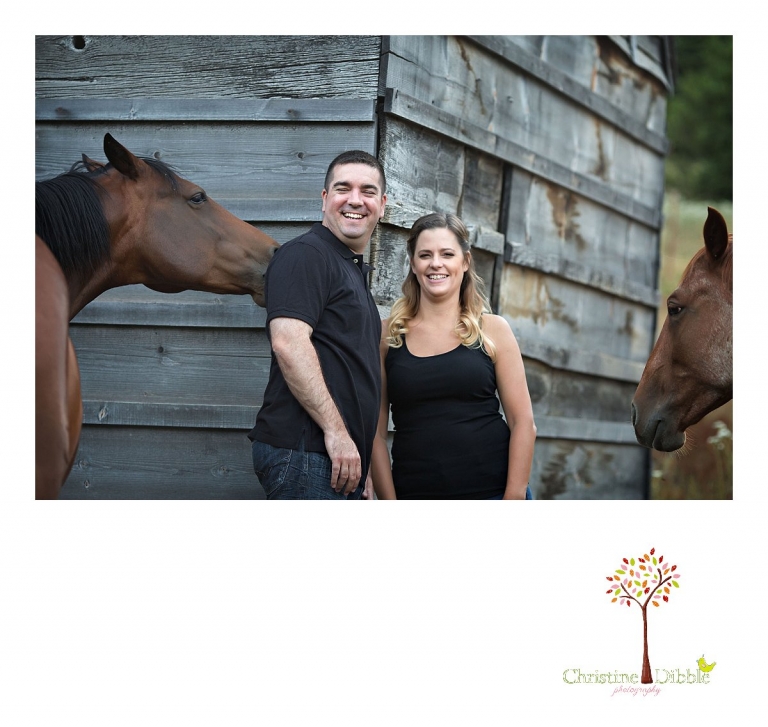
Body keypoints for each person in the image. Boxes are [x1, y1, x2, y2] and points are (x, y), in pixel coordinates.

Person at [248, 150, 386, 499]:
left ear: (382, 204)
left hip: (335, 460)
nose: (355, 200)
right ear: (324, 199)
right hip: (307, 455)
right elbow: (288, 342)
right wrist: (338, 434)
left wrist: (363, 460)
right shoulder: (307, 255)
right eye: (343, 188)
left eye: (368, 191)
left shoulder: (347, 267)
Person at [370, 212, 537, 499]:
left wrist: (513, 500)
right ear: (412, 263)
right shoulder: (388, 336)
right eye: (425, 255)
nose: (436, 263)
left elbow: (523, 423)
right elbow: (375, 435)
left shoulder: (493, 330)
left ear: (465, 261)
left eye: (447, 254)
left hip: (492, 496)